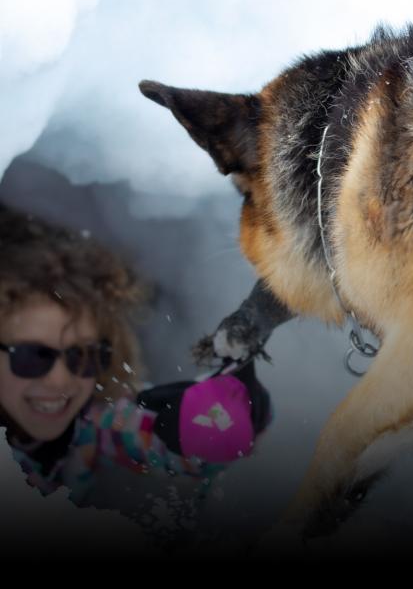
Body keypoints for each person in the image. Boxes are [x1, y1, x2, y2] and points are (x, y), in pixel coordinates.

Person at [0, 204, 271, 516]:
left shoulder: (90, 425)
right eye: (33, 356)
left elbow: (154, 437)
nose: (60, 380)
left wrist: (225, 420)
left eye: (84, 355)